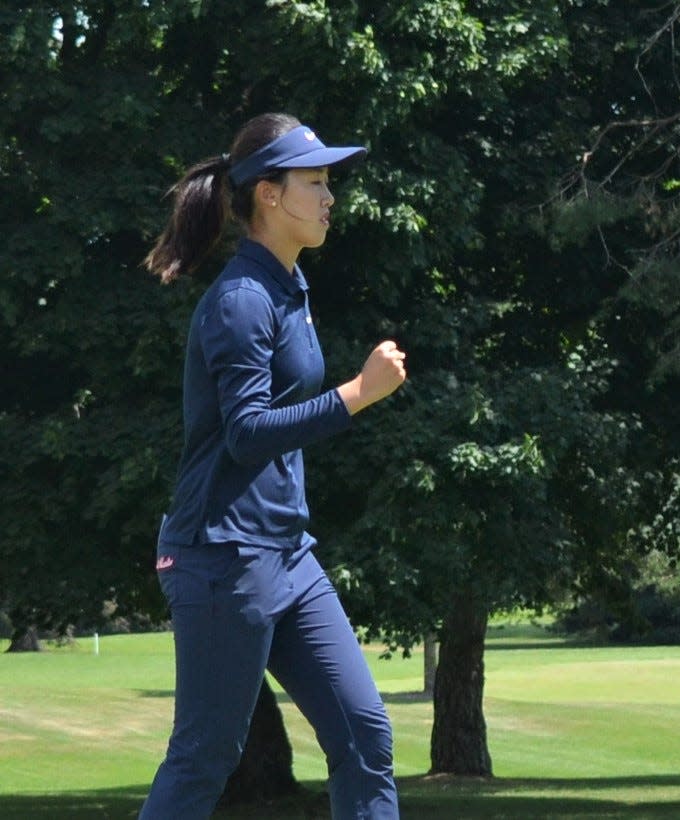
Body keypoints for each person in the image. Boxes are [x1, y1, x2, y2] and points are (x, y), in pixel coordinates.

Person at [138, 112, 405, 820]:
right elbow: (247, 434)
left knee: (364, 734)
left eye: (327, 182)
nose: (329, 196)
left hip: (287, 554)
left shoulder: (289, 288)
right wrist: (358, 394)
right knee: (204, 759)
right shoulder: (241, 300)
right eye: (314, 182)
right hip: (223, 559)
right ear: (268, 195)